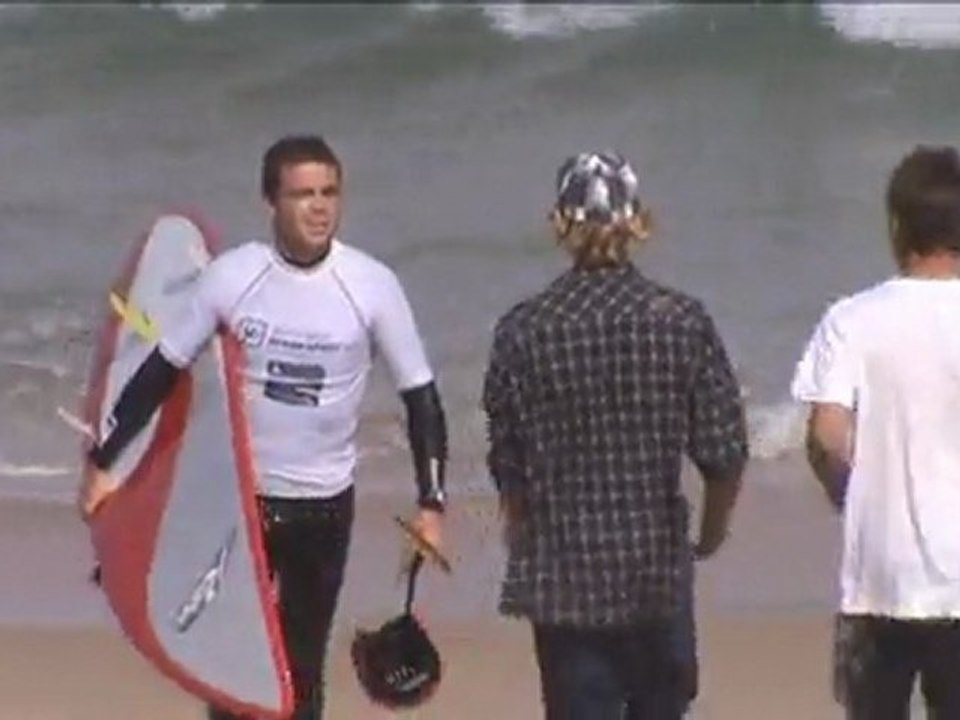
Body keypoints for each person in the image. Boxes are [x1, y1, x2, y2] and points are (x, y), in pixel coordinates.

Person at [77, 135, 449, 720]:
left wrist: (432, 503)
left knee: (301, 664)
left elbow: (421, 398)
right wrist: (105, 464)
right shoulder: (233, 277)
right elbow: (160, 371)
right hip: (239, 503)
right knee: (229, 662)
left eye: (329, 192)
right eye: (303, 194)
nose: (319, 207)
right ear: (270, 202)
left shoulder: (371, 285)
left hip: (324, 505)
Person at [482, 151, 748, 719]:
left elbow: (509, 469)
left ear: (559, 224)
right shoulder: (680, 320)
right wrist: (710, 535)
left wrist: (525, 539)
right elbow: (724, 453)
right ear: (639, 223)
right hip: (656, 571)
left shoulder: (523, 330)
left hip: (566, 578)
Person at [791, 145, 960, 720]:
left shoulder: (852, 318)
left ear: (897, 226)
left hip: (879, 578)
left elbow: (827, 433)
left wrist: (848, 493)